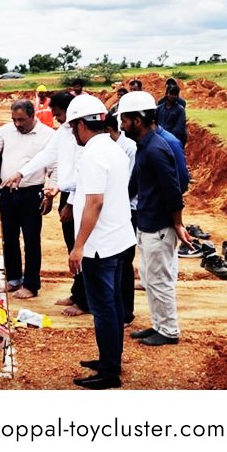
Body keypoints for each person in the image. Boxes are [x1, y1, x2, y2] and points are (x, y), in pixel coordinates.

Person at [64, 95, 135, 390]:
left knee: (103, 307)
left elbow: (94, 203)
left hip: (99, 245)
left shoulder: (93, 154)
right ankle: (110, 359)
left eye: (72, 128)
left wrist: (78, 246)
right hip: (119, 239)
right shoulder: (113, 147)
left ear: (82, 125)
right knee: (115, 304)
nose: (73, 134)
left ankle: (108, 371)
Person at [117, 91, 193, 347]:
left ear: (137, 120)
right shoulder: (145, 145)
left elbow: (174, 189)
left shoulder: (157, 148)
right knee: (150, 277)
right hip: (147, 222)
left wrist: (177, 223)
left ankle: (169, 330)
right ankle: (159, 324)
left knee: (159, 279)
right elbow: (135, 183)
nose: (122, 125)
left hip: (159, 225)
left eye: (124, 120)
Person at [4, 92, 85, 314]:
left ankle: (85, 301)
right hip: (68, 194)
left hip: (79, 197)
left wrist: (70, 202)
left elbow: (84, 172)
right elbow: (46, 156)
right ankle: (78, 292)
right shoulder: (65, 132)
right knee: (73, 246)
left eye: (58, 114)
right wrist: (21, 173)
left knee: (82, 248)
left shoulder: (84, 136)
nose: (56, 118)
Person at [0, 100, 55, 299]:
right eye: (14, 119)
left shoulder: (48, 136)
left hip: (32, 193)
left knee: (31, 239)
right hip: (8, 193)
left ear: (33, 116)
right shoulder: (6, 131)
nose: (17, 124)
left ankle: (31, 284)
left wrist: (50, 194)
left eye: (22, 120)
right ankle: (14, 278)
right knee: (9, 238)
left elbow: (54, 167)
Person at [106, 112, 137, 325]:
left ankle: (126, 311)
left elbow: (130, 184)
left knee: (124, 261)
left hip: (128, 210)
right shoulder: (112, 147)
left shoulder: (129, 148)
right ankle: (117, 308)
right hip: (115, 208)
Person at [155, 83, 188, 149]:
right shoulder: (159, 108)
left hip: (174, 142)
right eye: (171, 93)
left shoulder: (180, 110)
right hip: (159, 140)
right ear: (167, 94)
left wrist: (166, 139)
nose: (173, 96)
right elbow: (155, 124)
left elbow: (179, 129)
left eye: (176, 94)